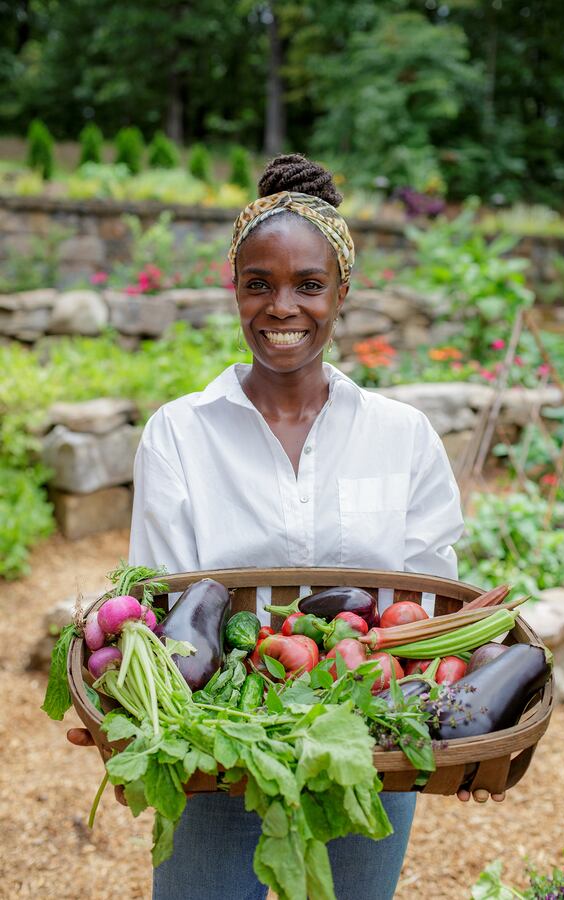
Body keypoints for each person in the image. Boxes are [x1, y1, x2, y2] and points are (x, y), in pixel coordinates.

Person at [68, 154, 504, 899]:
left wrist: (465, 734)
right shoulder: (179, 434)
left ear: (343, 293)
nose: (282, 308)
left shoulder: (401, 437)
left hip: (368, 746)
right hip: (218, 744)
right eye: (258, 284)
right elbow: (162, 605)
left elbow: (428, 612)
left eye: (309, 285)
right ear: (233, 290)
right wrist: (136, 713)